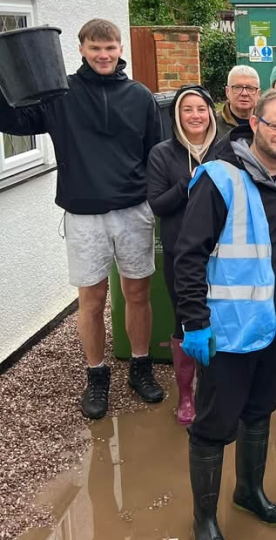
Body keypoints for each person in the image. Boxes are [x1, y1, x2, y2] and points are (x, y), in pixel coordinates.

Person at [0, 18, 164, 420]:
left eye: (110, 48)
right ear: (82, 50)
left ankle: (140, 367)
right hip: (83, 215)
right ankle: (96, 375)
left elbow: (155, 153)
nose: (104, 55)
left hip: (132, 211)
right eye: (95, 48)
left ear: (120, 49)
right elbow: (14, 122)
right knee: (91, 301)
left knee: (137, 294)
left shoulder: (140, 96)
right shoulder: (60, 95)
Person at [175, 90, 276, 539]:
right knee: (213, 425)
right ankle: (205, 519)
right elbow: (188, 255)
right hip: (226, 331)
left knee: (259, 412)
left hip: (271, 327)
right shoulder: (221, 178)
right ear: (255, 124)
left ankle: (249, 491)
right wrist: (194, 321)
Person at [146, 85, 218, 426]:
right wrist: (187, 184)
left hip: (222, 252)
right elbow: (157, 204)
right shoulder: (162, 154)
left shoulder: (225, 149)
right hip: (180, 251)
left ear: (210, 112)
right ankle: (186, 394)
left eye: (201, 109)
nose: (195, 115)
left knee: (217, 317)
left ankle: (213, 388)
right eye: (187, 109)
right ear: (177, 115)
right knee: (184, 319)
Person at [216, 65, 261, 138]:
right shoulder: (213, 125)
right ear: (227, 92)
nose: (244, 93)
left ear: (258, 94)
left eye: (250, 88)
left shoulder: (267, 124)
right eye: (237, 87)